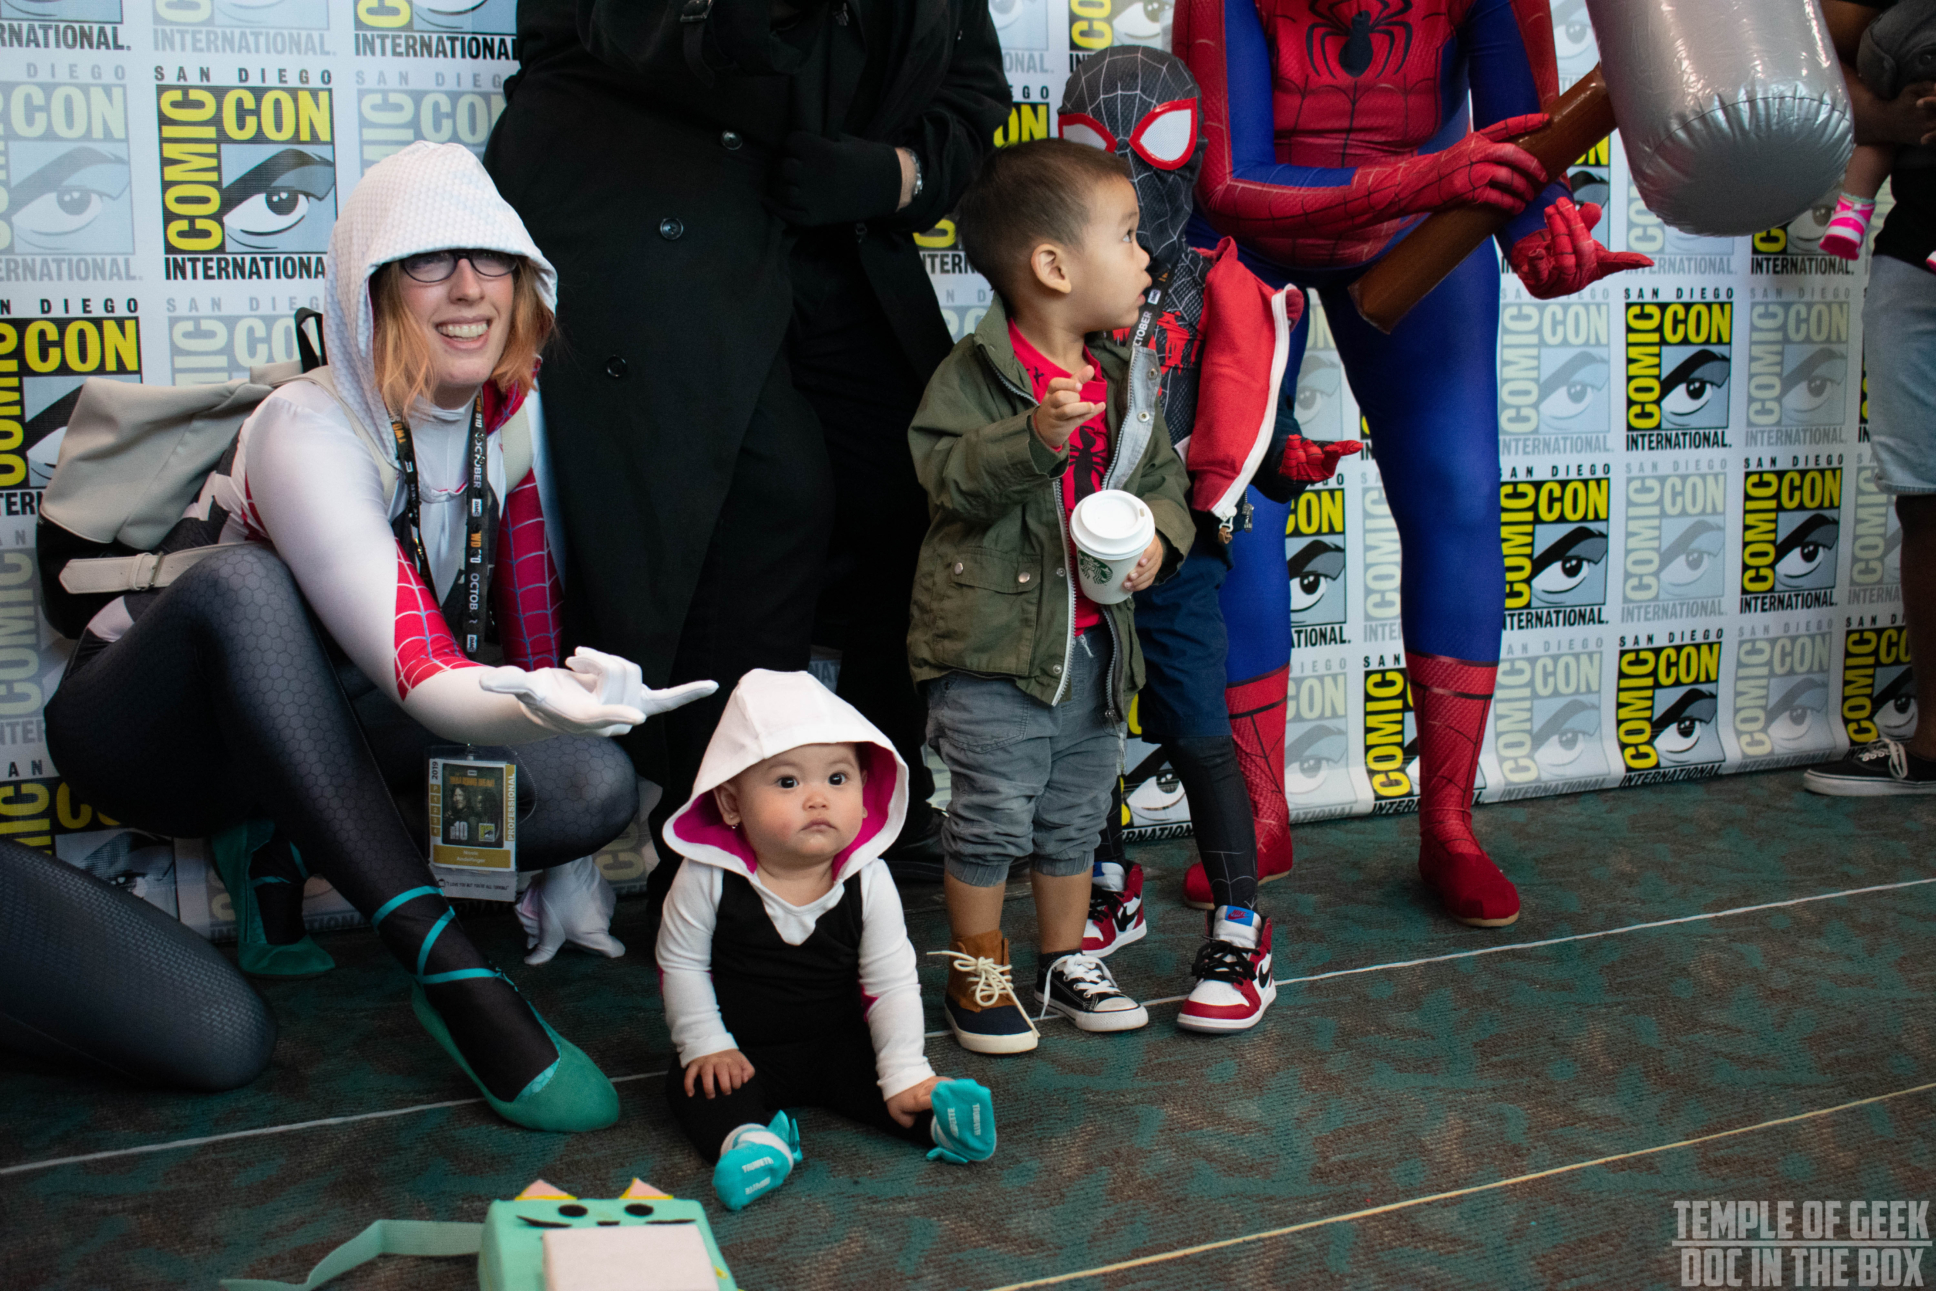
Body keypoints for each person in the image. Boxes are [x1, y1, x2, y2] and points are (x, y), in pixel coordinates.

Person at [42, 142, 714, 1132]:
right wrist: (522, 701)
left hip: (326, 713)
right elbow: (419, 668)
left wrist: (560, 702)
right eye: (428, 261)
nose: (468, 289)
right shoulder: (306, 426)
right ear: (369, 286)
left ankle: (282, 824)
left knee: (589, 787)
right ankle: (450, 973)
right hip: (150, 733)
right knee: (245, 586)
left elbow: (514, 607)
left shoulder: (511, 416)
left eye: (491, 259)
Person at [482, 0, 1012, 889]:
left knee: (908, 477)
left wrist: (894, 177)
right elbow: (648, 32)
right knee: (765, 498)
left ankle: (874, 799)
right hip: (647, 213)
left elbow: (972, 88)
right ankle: (713, 837)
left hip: (827, 218)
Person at [1174, 0, 1651, 927]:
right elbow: (1228, 180)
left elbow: (1526, 144)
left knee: (1459, 493)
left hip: (1421, 223)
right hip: (1254, 241)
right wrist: (1437, 177)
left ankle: (1450, 825)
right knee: (1234, 498)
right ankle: (1254, 815)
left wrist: (1541, 237)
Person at [1058, 47, 1360, 1033]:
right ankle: (1109, 880)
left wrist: (1227, 515)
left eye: (1155, 142)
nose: (1131, 169)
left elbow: (1249, 457)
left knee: (1197, 728)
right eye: (1099, 146)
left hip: (1187, 542)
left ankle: (1241, 924)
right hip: (1071, 552)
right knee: (1083, 726)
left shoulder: (1224, 282)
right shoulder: (1053, 276)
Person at [909, 139, 1195, 1054]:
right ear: (1054, 265)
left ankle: (1067, 958)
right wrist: (1034, 438)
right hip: (990, 655)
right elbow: (944, 476)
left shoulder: (1125, 381)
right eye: (1127, 236)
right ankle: (978, 969)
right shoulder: (971, 375)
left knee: (1076, 814)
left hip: (1097, 650)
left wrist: (1159, 537)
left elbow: (1164, 484)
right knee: (991, 817)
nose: (1147, 258)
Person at [656, 670, 996, 1210]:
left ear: (865, 796)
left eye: (838, 780)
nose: (817, 798)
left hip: (838, 1044)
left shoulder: (870, 877)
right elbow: (681, 965)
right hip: (742, 1051)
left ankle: (940, 1126)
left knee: (885, 1084)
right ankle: (752, 1143)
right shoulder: (706, 876)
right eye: (787, 783)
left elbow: (891, 983)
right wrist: (706, 1042)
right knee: (695, 1086)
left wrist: (906, 1068)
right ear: (730, 804)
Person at [1807, 0, 1936, 794]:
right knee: (1924, 499)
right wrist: (1891, 111)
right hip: (1911, 259)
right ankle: (1932, 743)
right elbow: (1818, 53)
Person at [1821, 1, 1936, 262]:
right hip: (1908, 246)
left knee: (1882, 133)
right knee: (1886, 122)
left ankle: (1849, 215)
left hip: (1887, 43)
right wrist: (1890, 119)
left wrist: (1891, 119)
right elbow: (1823, 53)